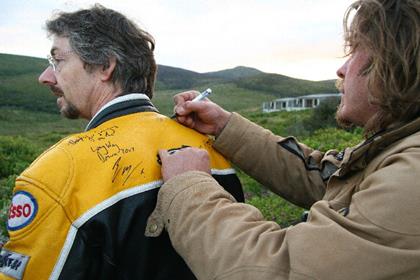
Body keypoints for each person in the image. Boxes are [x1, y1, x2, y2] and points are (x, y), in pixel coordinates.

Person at [145, 0, 420, 279]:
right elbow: (325, 178)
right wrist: (224, 125)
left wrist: (188, 185)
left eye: (357, 49)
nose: (342, 69)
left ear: (397, 61)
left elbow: (279, 269)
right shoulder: (398, 147)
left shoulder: (412, 173)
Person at [0, 5, 243, 280]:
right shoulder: (210, 148)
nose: (45, 76)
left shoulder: (58, 171)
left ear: (105, 65)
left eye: (58, 61)